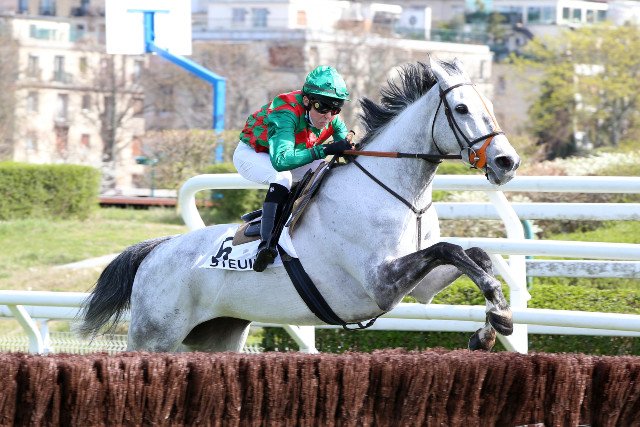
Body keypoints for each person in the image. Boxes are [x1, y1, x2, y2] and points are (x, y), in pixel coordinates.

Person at [233, 65, 354, 272]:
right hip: (253, 154)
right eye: (322, 107)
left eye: (335, 110)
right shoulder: (285, 111)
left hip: (287, 155)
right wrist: (325, 149)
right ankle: (266, 245)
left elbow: (348, 148)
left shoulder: (331, 118)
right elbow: (281, 161)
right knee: (282, 177)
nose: (328, 116)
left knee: (324, 169)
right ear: (306, 101)